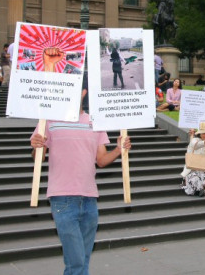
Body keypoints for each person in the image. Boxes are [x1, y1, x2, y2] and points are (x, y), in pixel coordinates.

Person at [30, 79, 132, 275]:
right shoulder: (48, 120)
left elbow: (101, 160)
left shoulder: (95, 121)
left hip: (89, 198)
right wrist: (37, 146)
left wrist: (119, 149)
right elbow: (38, 157)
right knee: (76, 262)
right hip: (62, 198)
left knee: (82, 260)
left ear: (83, 92)